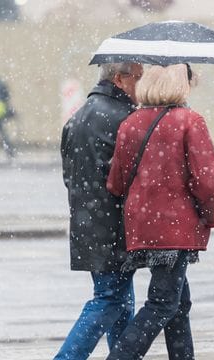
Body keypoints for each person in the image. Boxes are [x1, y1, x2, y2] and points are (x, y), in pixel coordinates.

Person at [105, 63, 214, 360]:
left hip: (143, 227)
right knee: (162, 304)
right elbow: (205, 181)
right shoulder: (189, 121)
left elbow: (116, 183)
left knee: (178, 304)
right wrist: (210, 215)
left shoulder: (130, 123)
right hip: (176, 230)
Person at [56, 62, 143, 360]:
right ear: (119, 79)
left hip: (88, 225)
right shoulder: (125, 119)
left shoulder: (78, 116)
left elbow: (69, 176)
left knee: (120, 301)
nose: (141, 85)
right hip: (114, 227)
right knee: (109, 300)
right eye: (137, 78)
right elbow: (130, 178)